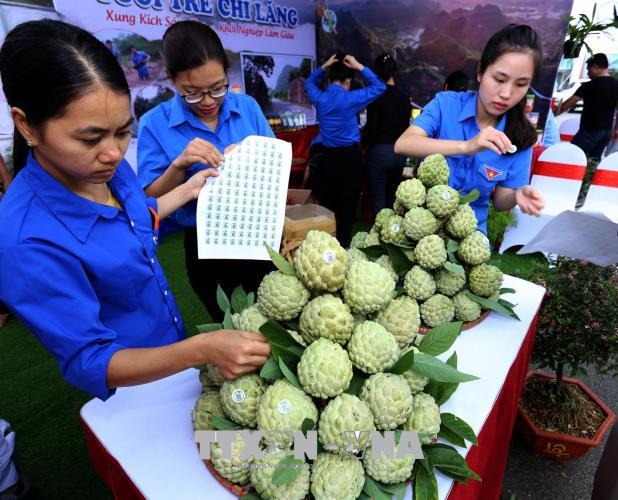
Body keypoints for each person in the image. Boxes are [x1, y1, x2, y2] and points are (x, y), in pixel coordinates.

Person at [0, 20, 270, 400]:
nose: (113, 153)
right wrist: (202, 348)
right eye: (91, 137)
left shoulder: (104, 168)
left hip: (170, 359)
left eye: (123, 132)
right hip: (128, 390)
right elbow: (91, 360)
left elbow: (136, 217)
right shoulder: (25, 238)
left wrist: (189, 189)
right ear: (26, 126)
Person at [137, 21, 274, 321]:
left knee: (278, 319)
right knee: (234, 325)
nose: (209, 101)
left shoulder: (247, 107)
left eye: (217, 88)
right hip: (207, 247)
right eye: (193, 93)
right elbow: (148, 199)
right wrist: (180, 163)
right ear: (173, 81)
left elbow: (275, 166)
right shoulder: (154, 123)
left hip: (259, 235)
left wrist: (249, 159)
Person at [395, 24, 545, 233]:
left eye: (520, 84)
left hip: (470, 236)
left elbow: (501, 202)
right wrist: (467, 146)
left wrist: (516, 196)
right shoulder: (445, 105)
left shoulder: (521, 137)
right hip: (420, 227)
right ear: (480, 72)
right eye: (499, 79)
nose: (506, 93)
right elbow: (403, 144)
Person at [305, 53, 386, 246]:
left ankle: (326, 243)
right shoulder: (350, 99)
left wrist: (324, 66)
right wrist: (359, 65)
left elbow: (309, 82)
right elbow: (380, 87)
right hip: (351, 159)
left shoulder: (320, 98)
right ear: (348, 80)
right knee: (348, 205)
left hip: (329, 158)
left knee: (329, 203)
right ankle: (343, 243)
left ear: (330, 78)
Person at [363, 52, 411, 215]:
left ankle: (379, 237)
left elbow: (371, 129)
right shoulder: (405, 98)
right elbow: (406, 129)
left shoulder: (375, 96)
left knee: (378, 204)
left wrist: (365, 147)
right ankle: (392, 236)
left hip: (379, 154)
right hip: (399, 155)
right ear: (395, 72)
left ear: (377, 73)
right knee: (392, 202)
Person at [557, 53, 618, 159]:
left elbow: (565, 106)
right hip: (607, 131)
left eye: (589, 69)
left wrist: (550, 115)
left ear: (595, 66)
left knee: (572, 158)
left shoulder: (589, 85)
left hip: (590, 130)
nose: (588, 72)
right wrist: (616, 129)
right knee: (593, 161)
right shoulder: (616, 84)